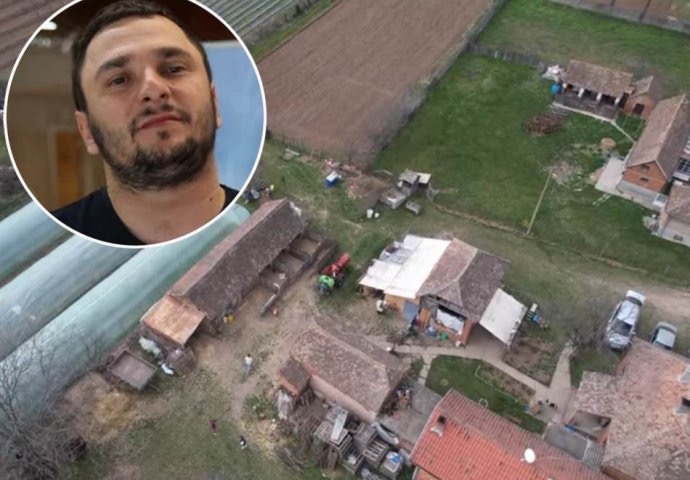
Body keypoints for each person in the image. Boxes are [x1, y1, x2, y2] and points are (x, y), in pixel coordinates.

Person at [51, 0, 239, 245]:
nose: (153, 89)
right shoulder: (49, 245)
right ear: (87, 132)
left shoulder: (256, 209)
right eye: (119, 80)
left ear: (215, 104)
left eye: (174, 68)